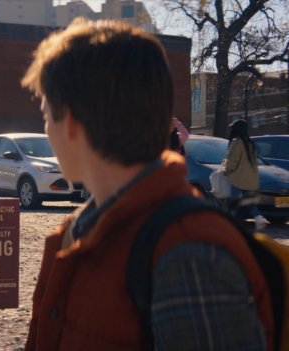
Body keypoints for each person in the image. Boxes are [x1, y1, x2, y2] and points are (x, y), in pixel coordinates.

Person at [21, 19, 272, 349]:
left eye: (45, 116)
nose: (46, 131)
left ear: (69, 122)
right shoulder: (79, 230)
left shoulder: (189, 254)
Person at [224, 119, 269, 229]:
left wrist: (226, 170)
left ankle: (228, 222)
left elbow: (233, 160)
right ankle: (257, 217)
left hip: (238, 178)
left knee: (231, 201)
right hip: (251, 178)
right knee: (247, 200)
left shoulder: (236, 143)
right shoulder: (250, 143)